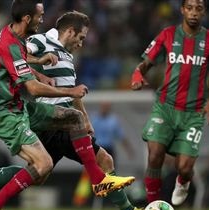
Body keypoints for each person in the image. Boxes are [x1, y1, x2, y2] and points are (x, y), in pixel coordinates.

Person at [0, 1, 134, 209]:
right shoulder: (29, 41)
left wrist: (38, 70)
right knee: (84, 160)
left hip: (22, 107)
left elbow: (18, 62)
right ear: (28, 18)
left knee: (40, 168)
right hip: (6, 112)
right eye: (40, 16)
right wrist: (67, 90)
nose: (42, 20)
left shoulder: (18, 39)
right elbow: (32, 87)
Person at [27, 11, 140, 210]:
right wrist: (38, 63)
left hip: (65, 121)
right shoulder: (40, 40)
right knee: (105, 160)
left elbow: (72, 92)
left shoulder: (68, 57)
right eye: (81, 38)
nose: (81, 43)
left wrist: (86, 119)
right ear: (70, 31)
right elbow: (13, 56)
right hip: (53, 118)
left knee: (36, 175)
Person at [131, 0, 209, 206]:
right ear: (182, 10)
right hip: (165, 107)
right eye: (189, 8)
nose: (194, 13)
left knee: (185, 167)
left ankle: (183, 180)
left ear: (204, 11)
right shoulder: (168, 35)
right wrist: (137, 74)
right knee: (154, 155)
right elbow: (145, 64)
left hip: (193, 113)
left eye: (198, 8)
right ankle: (153, 204)